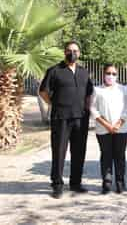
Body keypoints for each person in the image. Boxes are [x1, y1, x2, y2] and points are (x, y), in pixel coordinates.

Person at [39, 40, 93, 199]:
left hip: (80, 118)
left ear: (80, 53)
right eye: (69, 50)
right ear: (65, 52)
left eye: (75, 51)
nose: (73, 53)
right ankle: (57, 184)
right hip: (61, 118)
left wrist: (87, 109)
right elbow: (43, 92)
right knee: (59, 151)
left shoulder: (84, 72)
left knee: (79, 151)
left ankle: (76, 183)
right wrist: (54, 104)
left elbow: (89, 93)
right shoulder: (55, 71)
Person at [90, 63, 127, 194]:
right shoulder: (97, 90)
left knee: (120, 155)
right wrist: (106, 124)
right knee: (106, 155)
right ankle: (107, 181)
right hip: (103, 129)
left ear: (117, 75)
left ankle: (120, 181)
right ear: (103, 74)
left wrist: (120, 122)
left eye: (114, 74)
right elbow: (93, 109)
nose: (111, 76)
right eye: (108, 73)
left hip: (121, 128)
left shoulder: (123, 89)